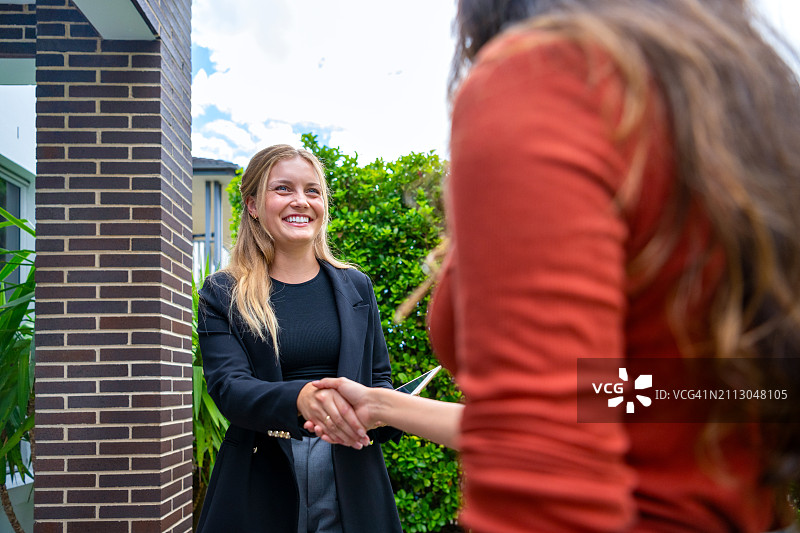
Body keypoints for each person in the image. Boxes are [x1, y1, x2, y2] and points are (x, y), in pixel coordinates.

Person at [307, 1, 800, 531]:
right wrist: (382, 406)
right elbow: (620, 407)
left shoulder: (545, 77)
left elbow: (544, 458)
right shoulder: (740, 113)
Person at [195, 144, 403, 533]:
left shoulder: (357, 286)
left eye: (312, 190)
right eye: (284, 189)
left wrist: (387, 414)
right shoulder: (223, 291)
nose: (300, 201)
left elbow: (379, 379)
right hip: (262, 477)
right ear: (253, 204)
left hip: (352, 477)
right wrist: (301, 400)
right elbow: (229, 389)